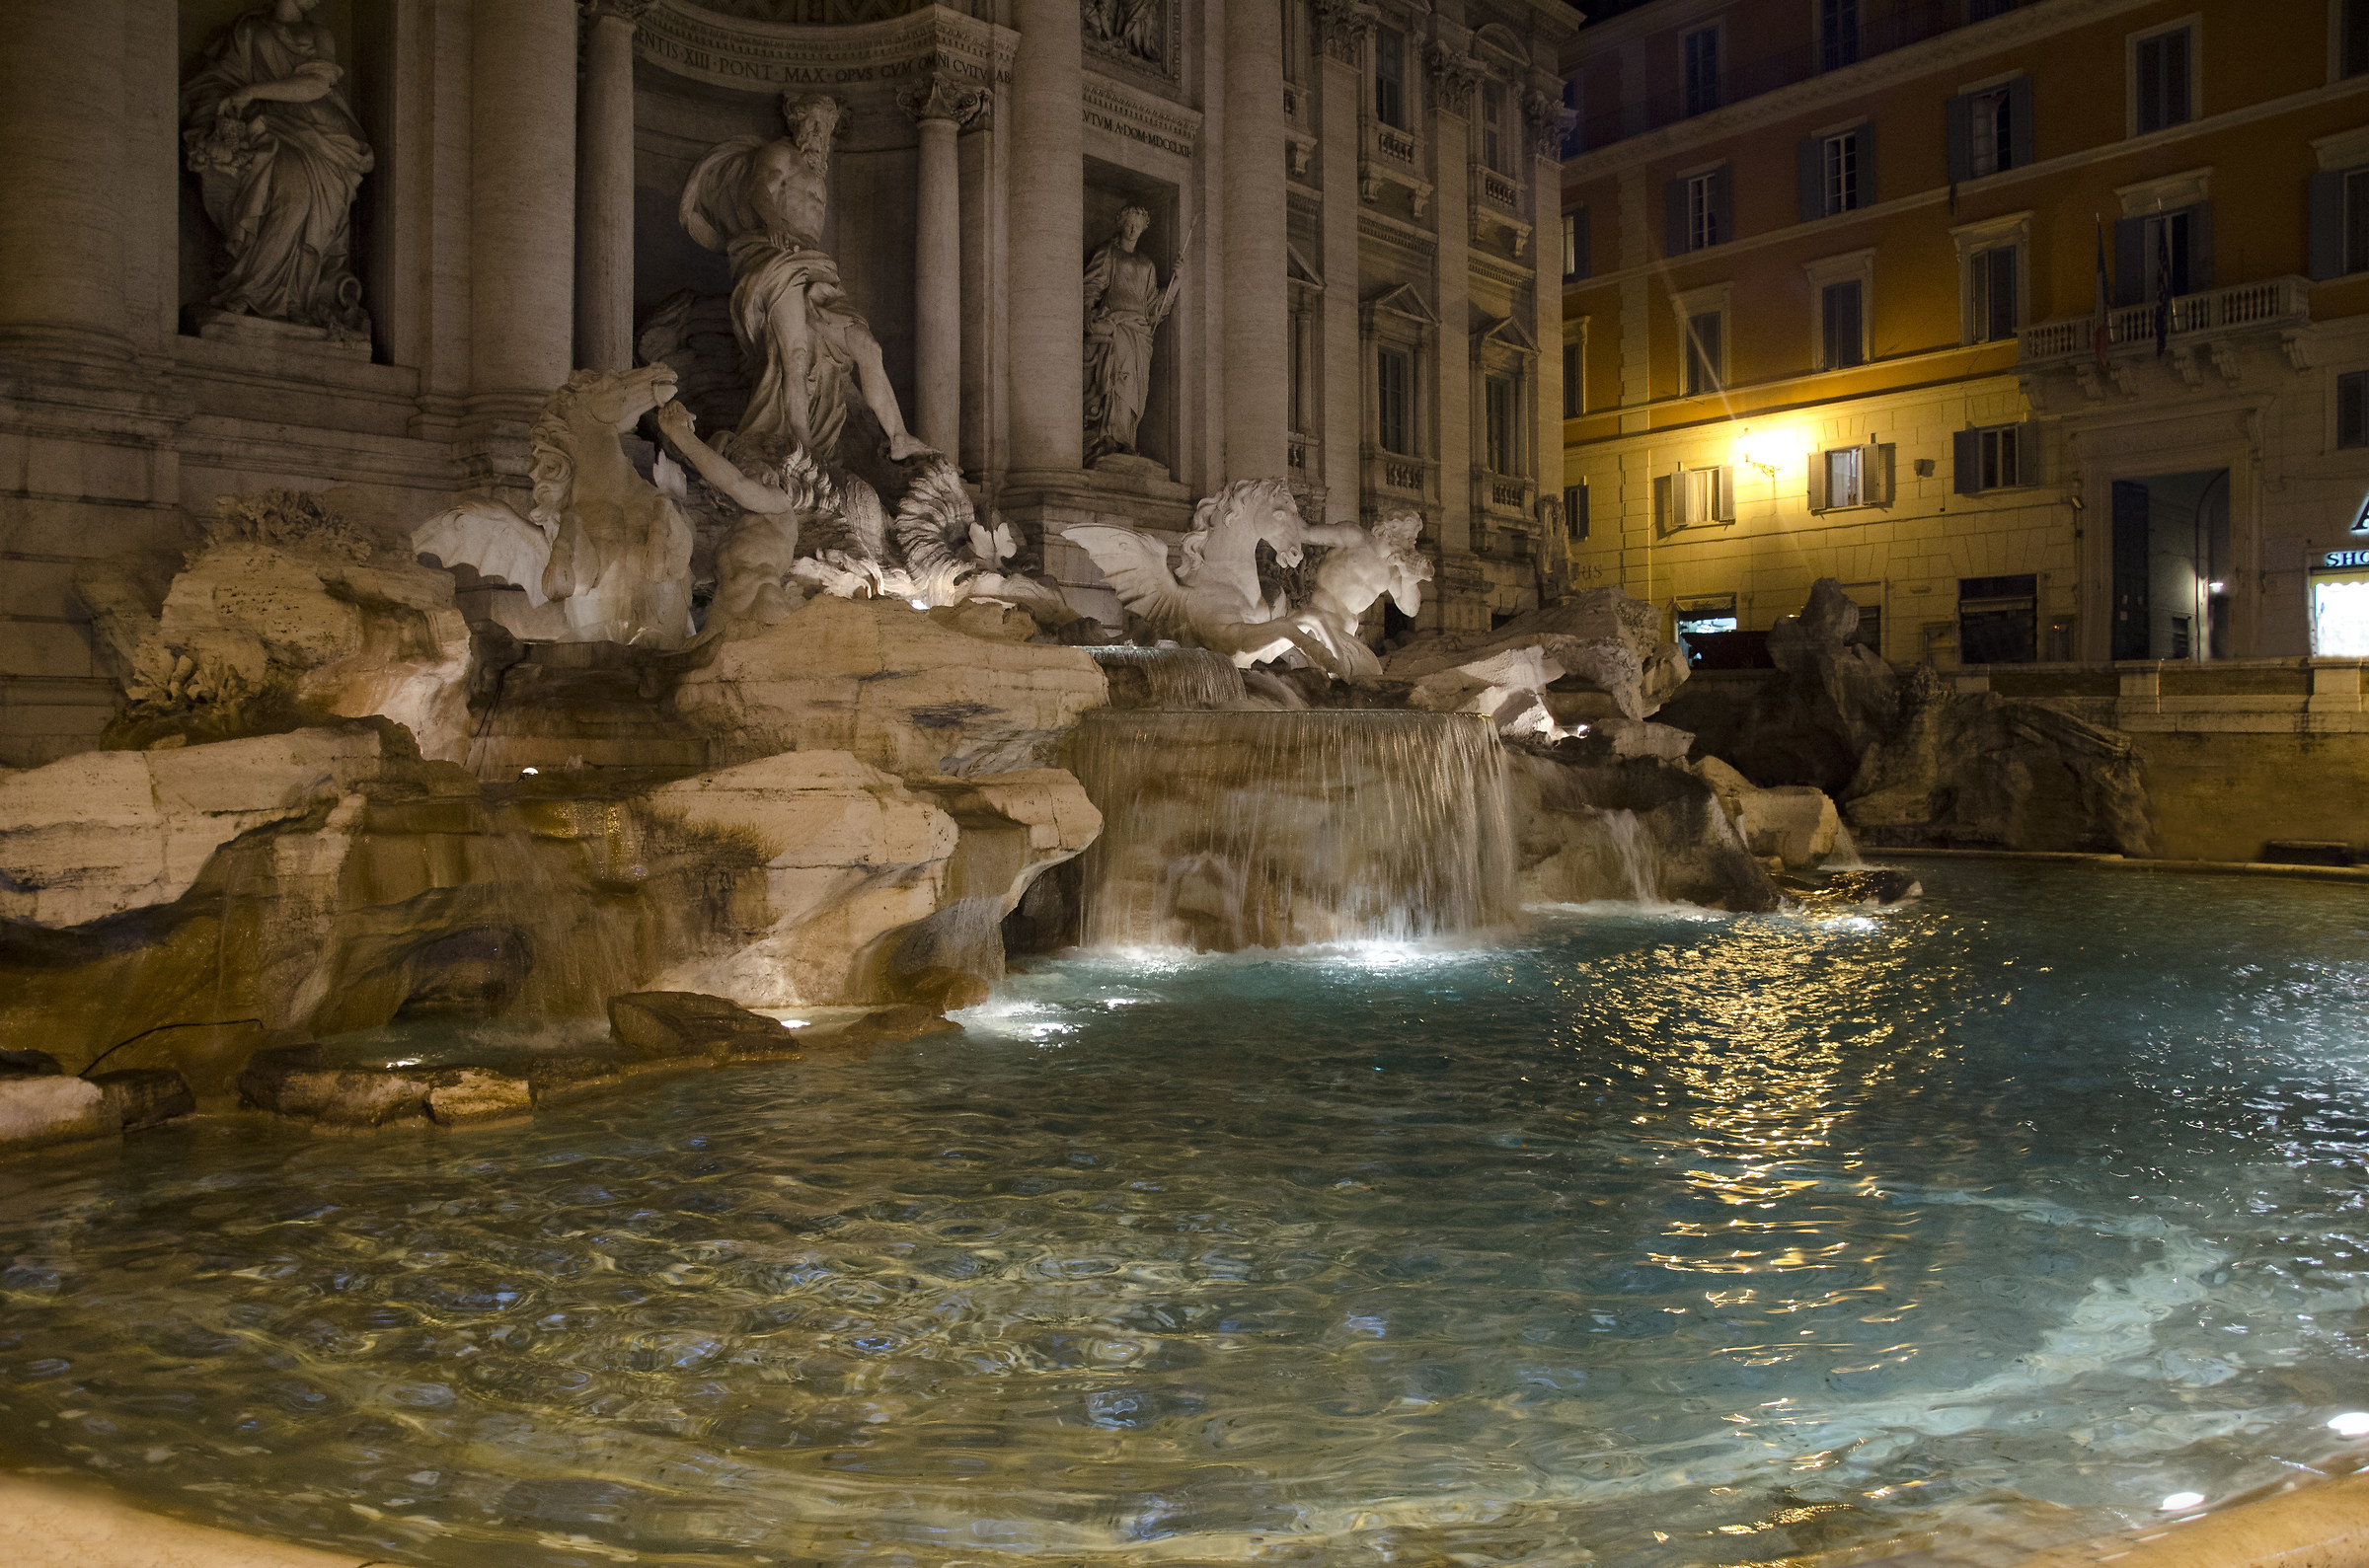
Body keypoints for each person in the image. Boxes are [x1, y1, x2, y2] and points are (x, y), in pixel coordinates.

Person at [679, 95, 930, 466]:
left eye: (824, 127)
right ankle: (802, 453)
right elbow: (759, 190)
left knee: (867, 347)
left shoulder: (817, 174)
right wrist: (775, 222)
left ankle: (899, 436)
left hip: (814, 266)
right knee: (793, 355)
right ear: (797, 125)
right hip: (775, 257)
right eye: (812, 124)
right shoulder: (778, 154)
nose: (818, 134)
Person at [180, 0, 374, 336]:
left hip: (319, 133)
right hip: (267, 129)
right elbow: (216, 81)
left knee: (309, 206)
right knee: (293, 195)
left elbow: (318, 84)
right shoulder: (248, 31)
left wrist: (252, 91)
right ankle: (253, 290)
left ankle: (298, 298)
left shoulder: (319, 34)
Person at [1083, 206, 1177, 466]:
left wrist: (1176, 283)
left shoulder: (1147, 265)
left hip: (1141, 333)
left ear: (1144, 228)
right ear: (1120, 224)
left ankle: (1126, 439)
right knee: (1118, 380)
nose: (1133, 229)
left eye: (1138, 225)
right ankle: (1110, 436)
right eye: (1128, 224)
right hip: (1117, 325)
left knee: (1135, 387)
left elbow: (1153, 310)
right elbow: (1091, 286)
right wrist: (1087, 314)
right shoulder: (1108, 254)